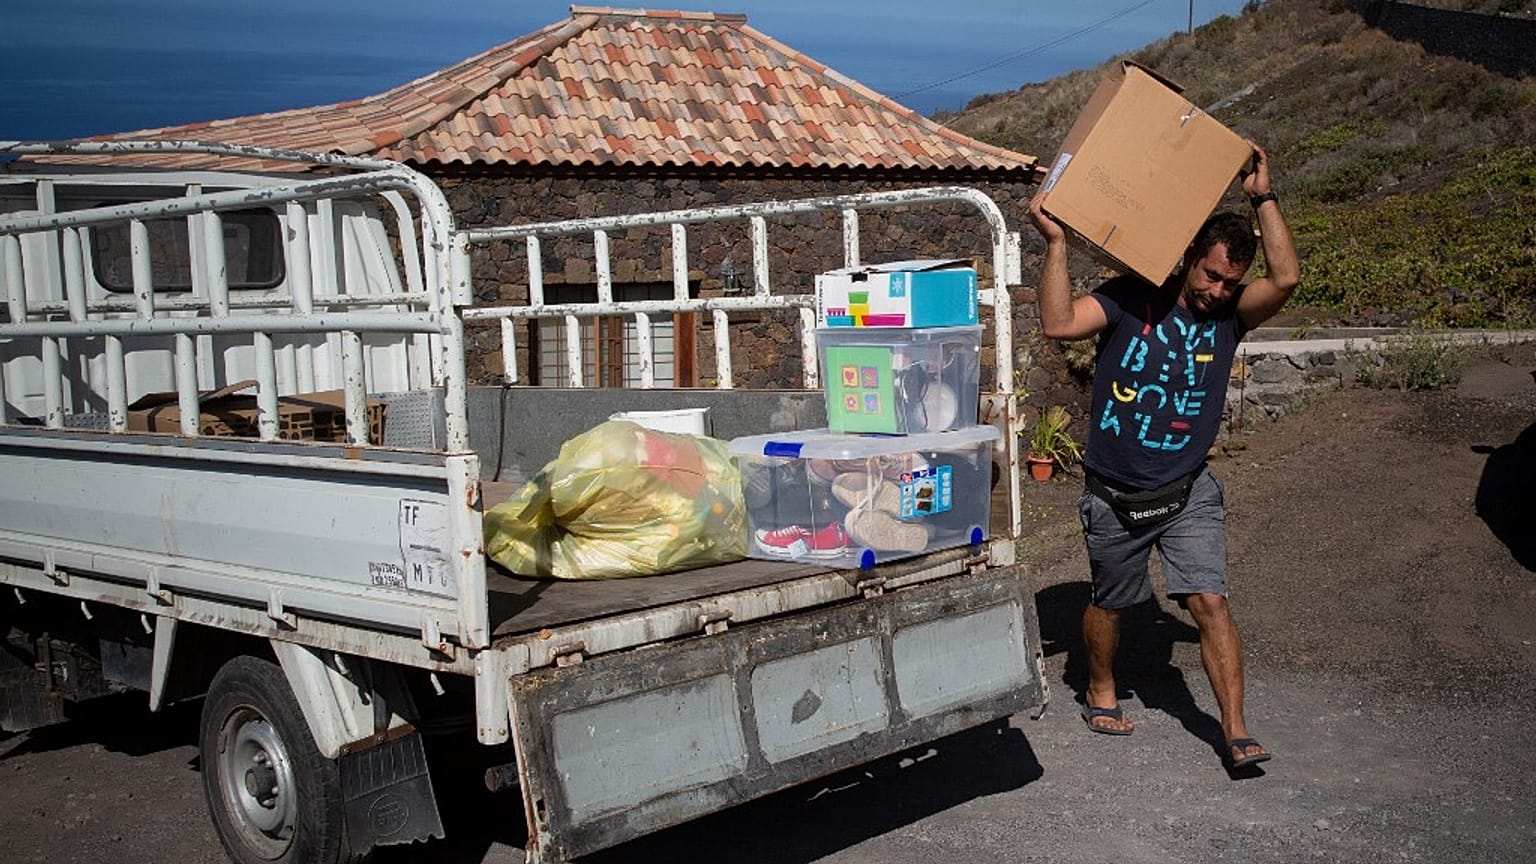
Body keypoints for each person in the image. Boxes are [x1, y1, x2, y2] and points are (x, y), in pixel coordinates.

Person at [1027, 141, 1300, 770]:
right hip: (1114, 493)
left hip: (1187, 490)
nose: (1218, 289)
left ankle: (1233, 728)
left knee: (1209, 602)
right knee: (1112, 604)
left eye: (1231, 281)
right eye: (1210, 275)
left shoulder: (1231, 317)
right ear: (1187, 261)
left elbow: (1285, 278)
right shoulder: (1130, 297)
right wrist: (1058, 244)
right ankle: (1098, 685)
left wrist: (1262, 195)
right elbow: (1059, 322)